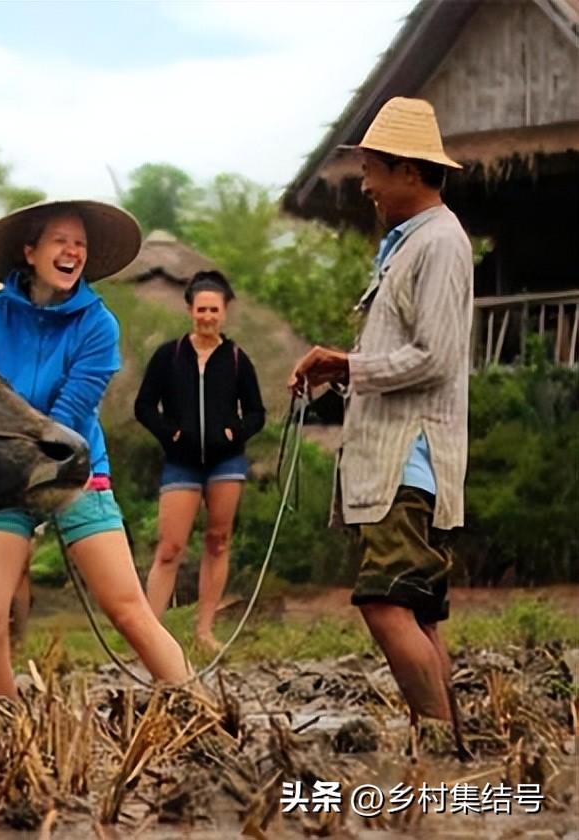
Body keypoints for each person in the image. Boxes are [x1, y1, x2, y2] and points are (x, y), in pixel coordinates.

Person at [288, 97, 472, 753]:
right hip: (397, 453)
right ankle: (449, 748)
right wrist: (344, 371)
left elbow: (436, 356)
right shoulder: (410, 244)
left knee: (383, 602)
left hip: (408, 456)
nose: (364, 185)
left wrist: (348, 363)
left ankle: (443, 751)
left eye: (372, 170)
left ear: (410, 172)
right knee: (418, 609)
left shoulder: (441, 244)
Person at [0, 199, 192, 697]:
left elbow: (67, 417)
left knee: (129, 612)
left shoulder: (97, 325)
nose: (72, 252)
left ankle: (203, 711)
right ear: (30, 252)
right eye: (60, 241)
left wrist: (29, 458)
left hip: (74, 472)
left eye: (80, 244)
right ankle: (7, 736)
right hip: (3, 476)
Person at [133, 270, 265, 651]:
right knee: (170, 547)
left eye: (214, 310)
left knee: (218, 541)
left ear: (224, 313)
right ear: (190, 310)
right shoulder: (169, 356)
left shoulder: (238, 359)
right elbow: (144, 406)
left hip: (226, 463)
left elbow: (256, 413)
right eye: (201, 309)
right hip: (181, 463)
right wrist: (171, 433)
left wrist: (232, 434)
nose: (207, 316)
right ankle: (150, 632)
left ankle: (205, 629)